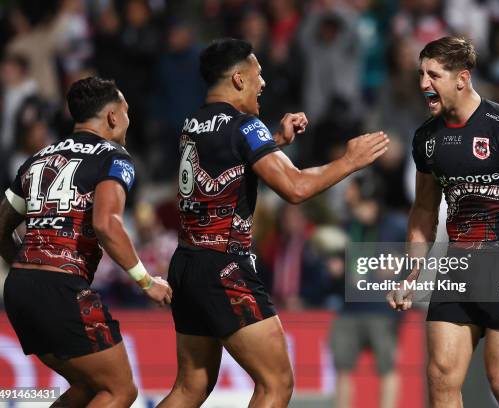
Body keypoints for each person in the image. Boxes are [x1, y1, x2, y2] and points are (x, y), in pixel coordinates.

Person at [158, 38, 389, 407]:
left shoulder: (194, 123)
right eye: (257, 73)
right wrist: (350, 161)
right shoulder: (244, 126)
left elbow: (227, 163)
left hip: (187, 263)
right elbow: (295, 188)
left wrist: (275, 140)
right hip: (225, 268)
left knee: (191, 387)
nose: (263, 82)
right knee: (276, 383)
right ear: (238, 79)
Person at [388, 37, 499, 408]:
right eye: (421, 74)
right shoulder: (426, 139)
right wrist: (411, 273)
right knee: (440, 377)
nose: (423, 84)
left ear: (462, 78)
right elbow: (423, 209)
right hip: (458, 266)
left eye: (433, 75)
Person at [0, 76, 172, 407]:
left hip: (18, 289)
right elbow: (106, 224)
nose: (128, 120)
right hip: (61, 289)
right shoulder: (113, 156)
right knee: (120, 390)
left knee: (88, 387)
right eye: (126, 111)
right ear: (113, 116)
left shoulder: (39, 157)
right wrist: (147, 282)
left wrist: (30, 270)